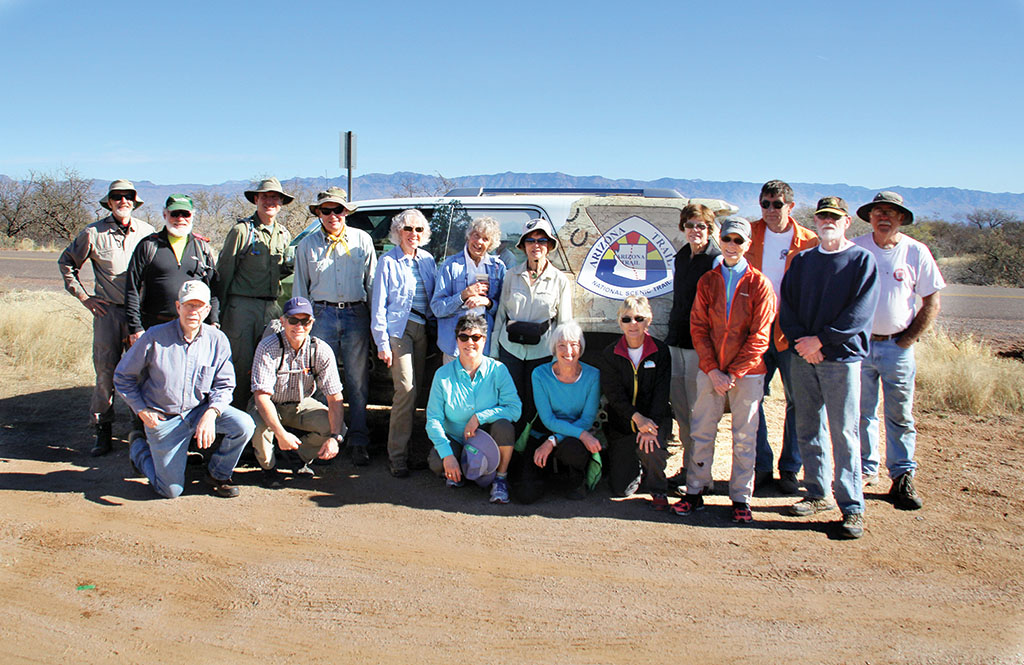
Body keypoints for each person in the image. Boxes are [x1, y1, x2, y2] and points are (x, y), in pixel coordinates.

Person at [780, 197, 879, 539]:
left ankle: (851, 506)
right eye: (822, 217)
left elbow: (859, 313)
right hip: (804, 357)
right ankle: (817, 493)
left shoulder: (861, 260)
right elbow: (787, 306)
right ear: (816, 221)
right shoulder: (803, 261)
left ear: (847, 222)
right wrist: (802, 343)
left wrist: (820, 341)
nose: (827, 222)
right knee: (808, 427)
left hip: (842, 359)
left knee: (845, 433)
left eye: (834, 218)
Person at [113, 281, 255, 499]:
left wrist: (211, 413)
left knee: (244, 424)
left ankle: (218, 474)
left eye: (199, 306)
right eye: (188, 305)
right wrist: (141, 410)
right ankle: (139, 449)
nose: (193, 311)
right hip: (164, 418)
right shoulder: (154, 337)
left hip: (199, 411)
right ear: (178, 307)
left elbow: (225, 385)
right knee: (170, 491)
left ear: (208, 310)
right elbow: (123, 377)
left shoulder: (217, 340)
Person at [674, 217, 775, 523]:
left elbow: (760, 336)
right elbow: (699, 327)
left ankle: (741, 497)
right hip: (711, 369)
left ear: (748, 244)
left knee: (745, 435)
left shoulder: (759, 283)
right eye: (727, 239)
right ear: (721, 240)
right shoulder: (708, 280)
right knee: (702, 429)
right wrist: (712, 369)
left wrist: (734, 373)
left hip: (748, 373)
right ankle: (695, 490)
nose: (732, 246)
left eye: (738, 241)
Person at [853, 191, 944, 510]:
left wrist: (906, 340)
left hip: (898, 348)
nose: (884, 217)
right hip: (861, 346)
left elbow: (931, 301)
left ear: (902, 218)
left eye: (891, 212)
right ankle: (865, 470)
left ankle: (902, 476)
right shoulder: (858, 249)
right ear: (870, 217)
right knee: (861, 412)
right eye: (878, 212)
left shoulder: (916, 252)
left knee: (900, 414)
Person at [58, 179, 155, 456]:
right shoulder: (93, 233)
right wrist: (84, 297)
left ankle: (141, 426)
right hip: (108, 313)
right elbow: (67, 263)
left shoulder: (147, 233)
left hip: (140, 313)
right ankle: (103, 429)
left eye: (128, 197)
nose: (123, 201)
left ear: (134, 202)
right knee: (105, 372)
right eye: (117, 196)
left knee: (143, 372)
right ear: (110, 202)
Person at [293, 187, 376, 466]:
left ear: (346, 212)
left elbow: (372, 285)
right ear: (318, 214)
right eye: (325, 210)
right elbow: (300, 289)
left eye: (337, 209)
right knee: (318, 382)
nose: (332, 215)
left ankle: (359, 440)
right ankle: (324, 438)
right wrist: (302, 326)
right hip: (321, 314)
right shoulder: (306, 246)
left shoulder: (362, 240)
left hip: (356, 314)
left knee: (357, 381)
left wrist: (376, 326)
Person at [747, 180, 819, 494]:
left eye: (778, 204)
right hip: (757, 330)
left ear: (790, 205)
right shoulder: (749, 235)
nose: (771, 210)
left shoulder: (809, 241)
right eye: (766, 204)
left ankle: (790, 468)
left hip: (794, 332)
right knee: (752, 398)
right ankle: (761, 465)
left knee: (799, 402)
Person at [249, 297, 345, 488]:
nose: (299, 326)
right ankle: (269, 469)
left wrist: (335, 438)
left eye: (305, 321)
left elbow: (335, 397)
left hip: (300, 403)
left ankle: (297, 457)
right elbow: (261, 397)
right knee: (258, 427)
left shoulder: (321, 350)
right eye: (293, 320)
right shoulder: (268, 347)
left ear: (312, 323)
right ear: (283, 321)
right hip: (270, 403)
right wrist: (280, 433)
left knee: (337, 426)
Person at [425, 314, 521, 503]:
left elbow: (514, 409)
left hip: (488, 440)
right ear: (457, 340)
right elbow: (433, 419)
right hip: (457, 439)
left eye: (476, 337)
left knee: (505, 427)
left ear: (484, 340)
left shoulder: (498, 370)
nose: (470, 342)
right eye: (464, 337)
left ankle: (500, 479)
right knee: (437, 461)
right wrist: (447, 455)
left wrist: (480, 417)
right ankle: (463, 470)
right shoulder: (442, 374)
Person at [216, 177, 294, 410]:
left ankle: (261, 425)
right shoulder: (242, 231)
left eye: (274, 197)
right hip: (242, 308)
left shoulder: (283, 234)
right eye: (265, 197)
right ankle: (235, 425)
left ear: (281, 202)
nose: (270, 201)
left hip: (270, 308)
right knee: (240, 366)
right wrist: (217, 313)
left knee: (269, 366)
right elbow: (224, 272)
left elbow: (279, 272)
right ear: (256, 200)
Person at [370, 209, 437, 478]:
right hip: (399, 331)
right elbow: (379, 306)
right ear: (398, 232)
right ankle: (396, 456)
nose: (413, 234)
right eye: (408, 229)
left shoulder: (428, 260)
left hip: (424, 330)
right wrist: (382, 343)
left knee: (418, 392)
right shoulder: (388, 261)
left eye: (419, 230)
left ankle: (412, 453)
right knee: (406, 390)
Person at [493, 218, 572, 435]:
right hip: (511, 349)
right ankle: (509, 453)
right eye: (530, 240)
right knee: (510, 401)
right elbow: (501, 315)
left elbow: (564, 323)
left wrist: (560, 359)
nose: (536, 245)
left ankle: (531, 454)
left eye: (542, 240)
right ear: (523, 245)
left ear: (549, 246)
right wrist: (493, 352)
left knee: (536, 405)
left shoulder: (559, 280)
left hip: (543, 351)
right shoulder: (511, 275)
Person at [664, 203, 721, 492]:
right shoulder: (682, 256)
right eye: (690, 225)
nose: (695, 230)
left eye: (701, 225)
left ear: (710, 229)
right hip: (677, 340)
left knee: (701, 413)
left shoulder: (715, 260)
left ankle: (702, 476)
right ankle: (689, 469)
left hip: (701, 345)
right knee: (683, 411)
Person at [512, 321, 601, 503]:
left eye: (574, 344)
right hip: (543, 431)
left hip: (575, 436)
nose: (568, 351)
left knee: (572, 450)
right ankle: (544, 474)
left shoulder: (593, 375)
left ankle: (576, 478)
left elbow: (586, 420)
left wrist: (553, 441)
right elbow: (547, 419)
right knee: (525, 494)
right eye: (562, 345)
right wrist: (549, 439)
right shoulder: (539, 374)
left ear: (581, 347)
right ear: (554, 348)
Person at [600, 295, 671, 509]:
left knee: (652, 447)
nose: (633, 324)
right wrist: (636, 418)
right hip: (623, 424)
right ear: (619, 321)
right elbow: (614, 395)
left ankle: (658, 489)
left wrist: (649, 425)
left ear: (648, 321)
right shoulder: (610, 353)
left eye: (639, 319)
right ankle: (636, 466)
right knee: (621, 490)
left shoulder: (660, 351)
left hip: (654, 421)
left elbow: (661, 393)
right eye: (627, 319)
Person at [125, 194, 219, 342]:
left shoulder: (202, 248)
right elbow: (132, 289)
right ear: (165, 214)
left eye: (185, 214)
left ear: (192, 215)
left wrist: (214, 322)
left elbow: (212, 290)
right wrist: (135, 328)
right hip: (154, 327)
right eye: (174, 213)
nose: (180, 218)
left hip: (193, 328)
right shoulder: (148, 245)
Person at [431, 216, 506, 362]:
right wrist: (464, 294)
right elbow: (437, 308)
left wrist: (487, 302)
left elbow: (504, 310)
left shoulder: (498, 267)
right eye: (476, 235)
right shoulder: (450, 265)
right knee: (453, 384)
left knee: (482, 384)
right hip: (454, 344)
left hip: (485, 344)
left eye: (485, 239)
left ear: (491, 244)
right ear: (468, 236)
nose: (478, 242)